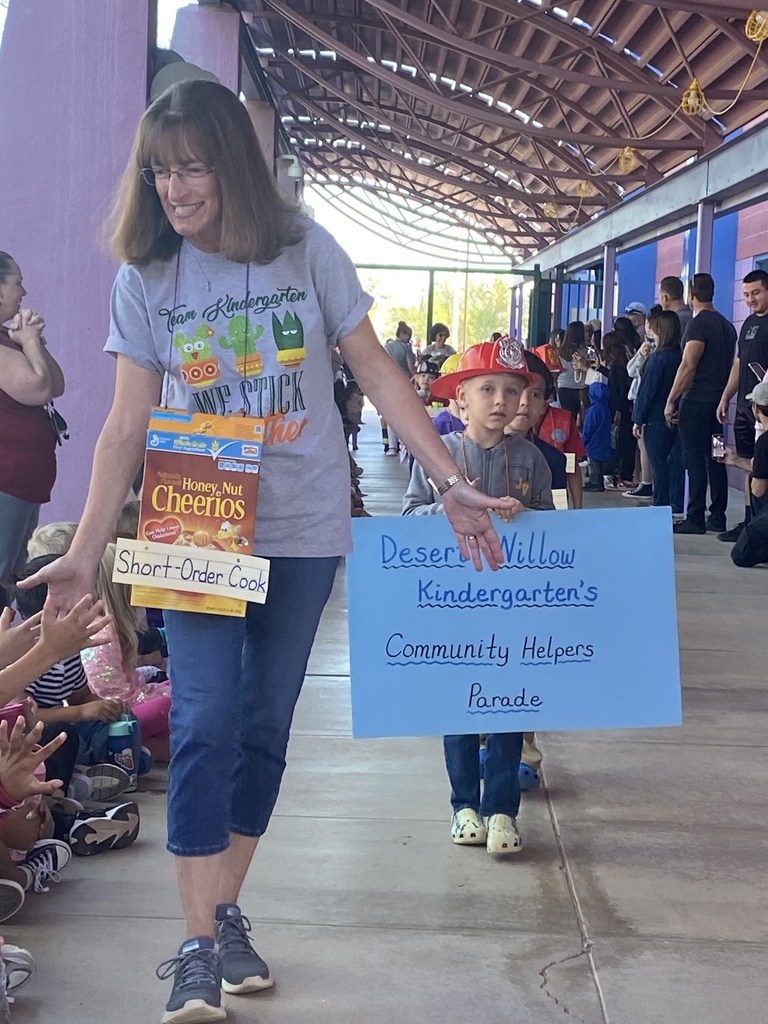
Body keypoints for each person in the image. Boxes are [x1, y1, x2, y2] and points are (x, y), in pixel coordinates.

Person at [21, 80, 520, 1024]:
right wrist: (86, 550)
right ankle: (196, 949)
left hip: (301, 526)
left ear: (233, 167)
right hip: (195, 521)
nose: (175, 189)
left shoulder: (306, 250)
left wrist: (450, 478)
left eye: (193, 167)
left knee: (262, 727)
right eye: (159, 172)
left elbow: (376, 370)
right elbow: (125, 423)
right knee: (204, 721)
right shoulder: (147, 276)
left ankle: (222, 910)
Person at [403, 338, 554, 856]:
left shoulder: (532, 460)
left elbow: (552, 529)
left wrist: (529, 517)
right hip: (454, 611)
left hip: (511, 614)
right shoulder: (438, 456)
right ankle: (463, 805)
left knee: (508, 707)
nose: (501, 400)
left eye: (511, 391)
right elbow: (409, 516)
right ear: (460, 399)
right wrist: (446, 510)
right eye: (486, 389)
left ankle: (502, 810)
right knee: (460, 707)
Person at [0, 253, 66, 582]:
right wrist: (27, 342)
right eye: (18, 283)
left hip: (23, 483)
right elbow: (38, 389)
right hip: (6, 481)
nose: (24, 292)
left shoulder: (7, 339)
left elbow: (57, 385)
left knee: (13, 576)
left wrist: (33, 342)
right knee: (3, 574)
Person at [666, 274, 737, 535]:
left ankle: (695, 516)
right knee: (717, 457)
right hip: (717, 406)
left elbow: (688, 365)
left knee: (694, 458)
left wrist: (671, 399)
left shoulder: (697, 325)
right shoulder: (727, 326)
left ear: (690, 296)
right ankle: (718, 515)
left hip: (696, 404)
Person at [716, 270, 768, 542]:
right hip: (746, 407)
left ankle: (761, 523)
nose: (750, 299)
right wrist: (726, 396)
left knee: (762, 466)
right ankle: (749, 522)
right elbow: (739, 363)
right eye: (746, 294)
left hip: (765, 410)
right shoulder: (748, 323)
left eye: (756, 293)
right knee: (747, 462)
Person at [632, 310, 684, 510]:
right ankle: (677, 503)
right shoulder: (681, 357)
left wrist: (638, 419)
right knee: (676, 463)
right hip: (678, 414)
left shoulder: (657, 359)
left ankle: (661, 502)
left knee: (658, 463)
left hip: (655, 417)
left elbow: (647, 392)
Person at [506, 351, 568, 497]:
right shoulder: (464, 452)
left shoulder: (553, 459)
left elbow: (553, 510)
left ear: (544, 405)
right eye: (514, 392)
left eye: (535, 395)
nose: (525, 402)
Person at [727, 381, 768, 566]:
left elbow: (758, 490)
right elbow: (763, 468)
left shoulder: (764, 442)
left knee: (741, 554)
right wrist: (736, 460)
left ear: (756, 408)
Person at [601, 331, 636, 488]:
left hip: (621, 409)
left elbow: (622, 391)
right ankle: (622, 475)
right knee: (623, 441)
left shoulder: (618, 367)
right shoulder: (621, 364)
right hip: (624, 408)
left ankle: (623, 476)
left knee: (622, 443)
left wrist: (619, 411)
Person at [382, 321, 416, 455]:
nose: (409, 338)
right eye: (408, 335)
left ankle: (391, 446)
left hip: (389, 381)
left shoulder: (387, 346)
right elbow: (411, 367)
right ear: (402, 334)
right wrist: (416, 376)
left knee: (391, 414)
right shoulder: (406, 348)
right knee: (406, 413)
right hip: (404, 381)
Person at [581, 382, 613, 491]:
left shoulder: (593, 410)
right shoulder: (606, 409)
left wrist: (584, 439)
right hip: (604, 442)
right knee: (599, 464)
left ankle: (595, 483)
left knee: (593, 464)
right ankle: (597, 481)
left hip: (593, 443)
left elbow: (589, 427)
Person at [556, 322, 588, 423]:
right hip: (580, 388)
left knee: (567, 420)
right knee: (583, 419)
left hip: (563, 387)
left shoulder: (559, 351)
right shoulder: (583, 350)